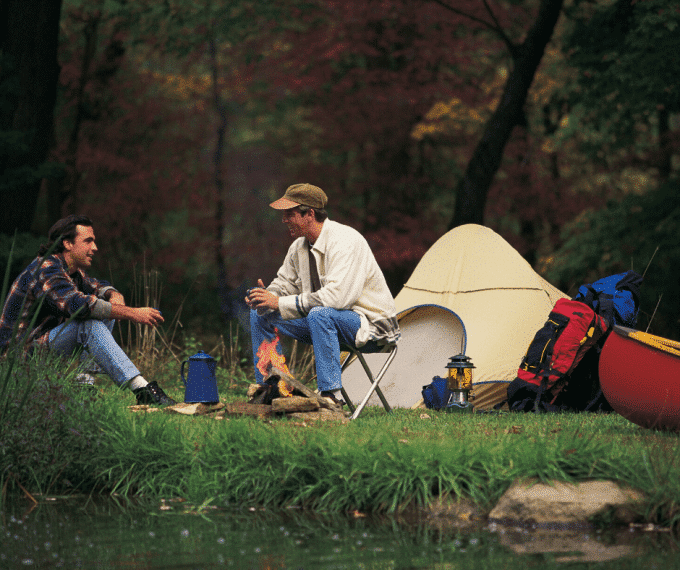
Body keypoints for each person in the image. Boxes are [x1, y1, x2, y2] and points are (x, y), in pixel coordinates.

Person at [246, 183, 400, 405]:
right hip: (323, 322)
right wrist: (264, 297)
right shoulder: (299, 246)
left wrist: (278, 301)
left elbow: (336, 298)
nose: (284, 220)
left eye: (290, 214)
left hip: (371, 328)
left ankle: (330, 397)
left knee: (320, 313)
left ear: (309, 214)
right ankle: (272, 387)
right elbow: (284, 284)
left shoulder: (346, 240)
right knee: (261, 315)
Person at [0, 215, 176, 405]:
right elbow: (78, 305)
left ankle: (84, 386)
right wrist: (133, 313)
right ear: (67, 243)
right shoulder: (46, 268)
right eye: (88, 241)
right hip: (17, 361)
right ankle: (142, 389)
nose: (95, 248)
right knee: (91, 321)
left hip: (39, 351)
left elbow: (97, 286)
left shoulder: (72, 272)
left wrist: (112, 293)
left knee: (104, 310)